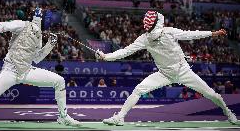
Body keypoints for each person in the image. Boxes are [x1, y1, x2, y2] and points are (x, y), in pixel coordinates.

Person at [96, 10, 237, 125]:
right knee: (139, 89)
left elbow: (190, 34)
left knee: (211, 94)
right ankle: (120, 117)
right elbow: (125, 51)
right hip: (164, 74)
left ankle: (229, 113)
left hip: (183, 71)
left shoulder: (169, 32)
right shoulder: (144, 39)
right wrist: (106, 56)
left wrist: (212, 33)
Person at [0, 7, 80, 126]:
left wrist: (50, 45)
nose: (49, 22)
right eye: (47, 19)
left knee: (59, 81)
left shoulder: (39, 37)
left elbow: (36, 59)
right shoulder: (23, 25)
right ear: (40, 19)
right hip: (10, 70)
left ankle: (63, 117)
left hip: (27, 70)